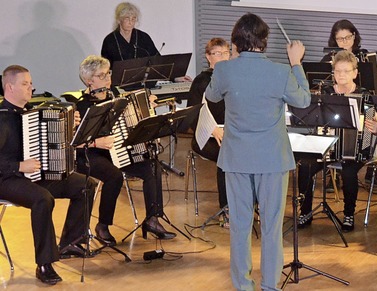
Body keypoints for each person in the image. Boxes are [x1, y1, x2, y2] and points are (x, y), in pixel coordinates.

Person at [205, 13, 311, 291]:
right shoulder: (280, 71)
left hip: (237, 158)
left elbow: (212, 96)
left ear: (236, 42)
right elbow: (303, 99)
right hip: (272, 158)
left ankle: (243, 286)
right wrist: (296, 62)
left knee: (240, 226)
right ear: (264, 41)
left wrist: (220, 66)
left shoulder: (224, 70)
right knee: (271, 226)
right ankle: (270, 287)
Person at [0, 65, 97, 285]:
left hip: (34, 175)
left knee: (86, 185)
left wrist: (68, 128)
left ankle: (71, 243)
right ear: (9, 87)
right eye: (25, 84)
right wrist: (18, 166)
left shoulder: (32, 114)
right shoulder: (1, 118)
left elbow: (51, 145)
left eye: (31, 83)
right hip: (6, 179)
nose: (31, 88)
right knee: (42, 199)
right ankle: (44, 264)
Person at [75, 55, 176, 243]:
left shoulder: (116, 96)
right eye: (102, 75)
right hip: (92, 153)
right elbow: (77, 141)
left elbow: (132, 120)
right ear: (89, 81)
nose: (107, 78)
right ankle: (103, 225)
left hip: (118, 152)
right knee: (113, 176)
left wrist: (147, 106)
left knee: (152, 166)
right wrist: (99, 142)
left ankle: (152, 219)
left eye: (108, 74)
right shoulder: (82, 105)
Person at [297, 50, 377, 231]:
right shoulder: (324, 93)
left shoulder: (364, 96)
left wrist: (375, 128)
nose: (341, 75)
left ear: (355, 73)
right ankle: (305, 212)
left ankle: (349, 214)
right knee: (305, 166)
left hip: (353, 151)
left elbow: (376, 123)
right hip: (324, 147)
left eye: (346, 71)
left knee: (349, 173)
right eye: (338, 71)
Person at [321, 19, 377, 188]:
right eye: (340, 39)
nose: (345, 42)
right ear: (334, 40)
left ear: (354, 37)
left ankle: (374, 171)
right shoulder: (327, 59)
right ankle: (334, 175)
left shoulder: (366, 56)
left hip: (365, 104)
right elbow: (323, 88)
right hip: (338, 104)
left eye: (348, 37)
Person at [186, 37, 230, 227]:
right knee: (226, 156)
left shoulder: (234, 78)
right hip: (205, 136)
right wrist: (213, 130)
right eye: (217, 53)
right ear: (208, 57)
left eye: (226, 53)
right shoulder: (202, 80)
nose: (222, 57)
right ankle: (226, 209)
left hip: (230, 133)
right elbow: (194, 114)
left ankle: (251, 203)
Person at [100, 2, 190, 82]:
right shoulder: (109, 40)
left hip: (143, 85)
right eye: (127, 18)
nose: (130, 22)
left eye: (133, 19)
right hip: (119, 88)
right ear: (119, 20)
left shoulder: (143, 37)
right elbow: (104, 69)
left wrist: (175, 77)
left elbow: (158, 62)